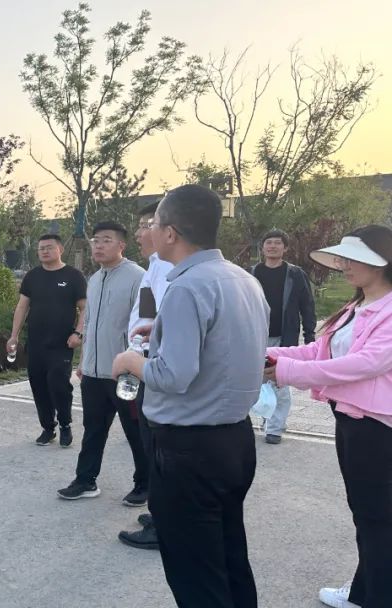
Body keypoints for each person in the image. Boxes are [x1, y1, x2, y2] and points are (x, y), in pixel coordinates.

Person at [112, 184, 268, 608]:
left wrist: (131, 362)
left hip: (189, 450)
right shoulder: (244, 280)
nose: (149, 231)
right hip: (235, 440)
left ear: (171, 233)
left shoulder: (186, 287)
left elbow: (173, 375)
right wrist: (163, 329)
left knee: (196, 574)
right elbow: (225, 344)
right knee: (229, 556)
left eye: (154, 224)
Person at [265, 225, 392, 608]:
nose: (344, 265)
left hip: (377, 427)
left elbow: (366, 363)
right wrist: (269, 354)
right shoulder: (357, 307)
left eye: (354, 259)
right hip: (351, 420)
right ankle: (364, 591)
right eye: (344, 258)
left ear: (381, 262)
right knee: (367, 513)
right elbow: (319, 351)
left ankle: (377, 596)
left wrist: (287, 372)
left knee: (376, 517)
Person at [57, 221, 147, 506]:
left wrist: (136, 365)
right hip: (94, 372)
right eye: (96, 240)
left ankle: (145, 484)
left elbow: (145, 325)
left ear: (122, 245)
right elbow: (89, 324)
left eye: (106, 240)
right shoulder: (94, 280)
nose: (98, 245)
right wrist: (84, 361)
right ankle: (85, 480)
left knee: (136, 431)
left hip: (125, 374)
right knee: (93, 428)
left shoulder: (139, 277)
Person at [118, 202, 175, 551]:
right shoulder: (155, 266)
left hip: (154, 368)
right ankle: (159, 512)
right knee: (151, 443)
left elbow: (168, 327)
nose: (139, 233)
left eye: (145, 225)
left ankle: (164, 522)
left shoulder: (168, 269)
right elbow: (152, 318)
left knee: (157, 446)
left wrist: (136, 360)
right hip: (144, 361)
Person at [7, 234, 87, 447]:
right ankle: (48, 428)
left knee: (59, 384)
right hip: (36, 343)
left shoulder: (74, 276)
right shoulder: (32, 276)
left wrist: (78, 333)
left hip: (62, 343)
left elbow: (84, 308)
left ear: (60, 249)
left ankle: (65, 425)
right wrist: (14, 336)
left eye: (49, 247)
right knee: (39, 386)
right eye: (41, 248)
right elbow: (22, 307)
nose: (44, 251)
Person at [250, 229, 317, 444]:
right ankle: (269, 418)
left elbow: (307, 306)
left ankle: (275, 428)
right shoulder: (251, 273)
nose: (272, 246)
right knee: (259, 381)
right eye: (268, 242)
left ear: (285, 248)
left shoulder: (295, 274)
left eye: (277, 243)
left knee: (279, 382)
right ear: (262, 247)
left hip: (283, 338)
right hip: (256, 337)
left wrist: (310, 336)